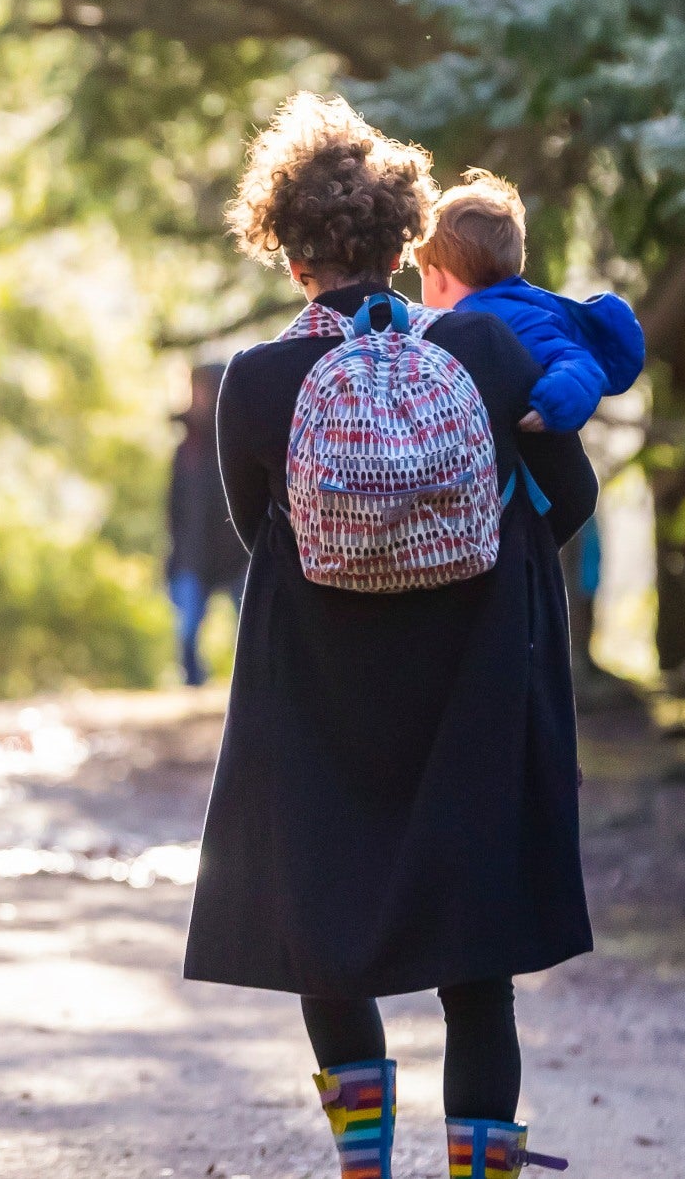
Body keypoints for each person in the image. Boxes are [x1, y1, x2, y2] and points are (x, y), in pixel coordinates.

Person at [184, 93, 596, 1179]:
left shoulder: (258, 383)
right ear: (409, 239)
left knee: (327, 938)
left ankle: (364, 1166)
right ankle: (480, 1174)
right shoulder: (485, 352)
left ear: (286, 251)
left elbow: (253, 533)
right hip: (469, 692)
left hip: (321, 701)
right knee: (480, 965)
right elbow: (573, 498)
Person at [416, 169, 645, 433]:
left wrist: (550, 407)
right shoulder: (512, 312)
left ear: (436, 278)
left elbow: (582, 365)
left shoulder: (517, 319)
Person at [167, 363, 247, 686]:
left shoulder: (236, 443)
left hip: (238, 553)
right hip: (192, 554)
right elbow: (173, 508)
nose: (199, 396)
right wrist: (173, 554)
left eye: (205, 388)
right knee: (187, 631)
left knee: (250, 626)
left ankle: (249, 687)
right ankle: (192, 686)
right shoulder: (185, 450)